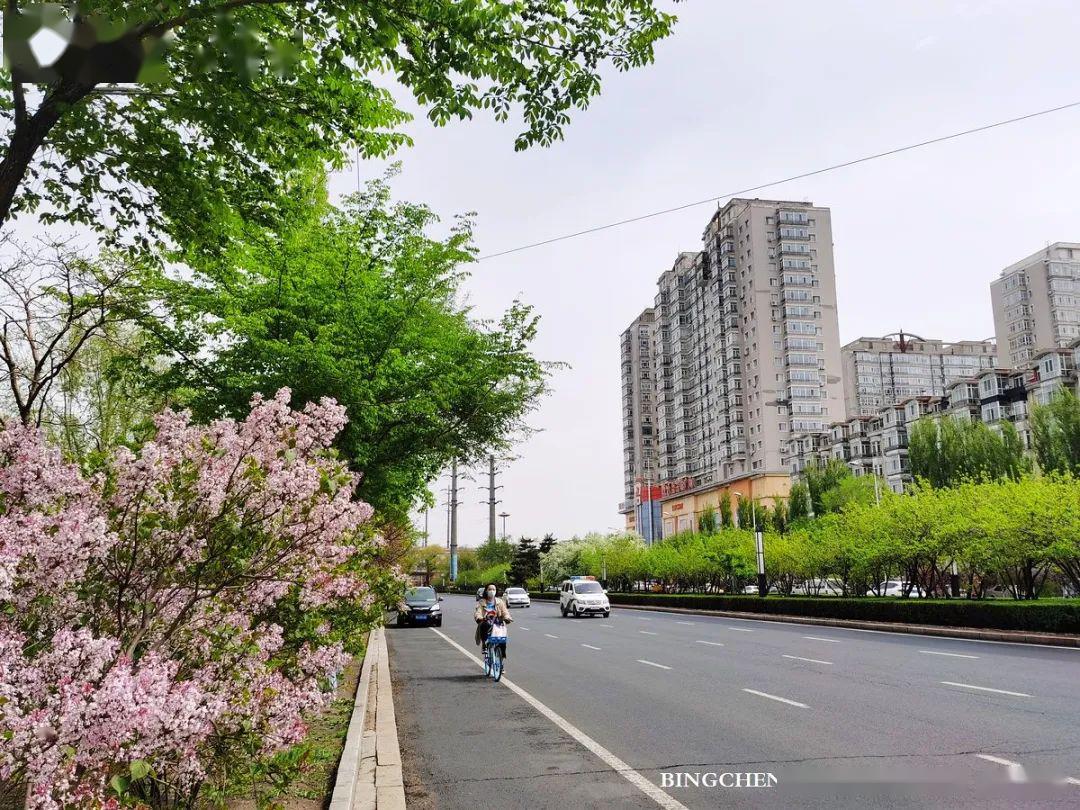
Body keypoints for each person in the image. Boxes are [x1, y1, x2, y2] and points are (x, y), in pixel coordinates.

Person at [474, 583, 512, 656]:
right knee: (484, 624)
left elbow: (505, 612)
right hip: (486, 621)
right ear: (486, 591)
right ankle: (484, 645)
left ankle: (501, 656)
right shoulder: (482, 602)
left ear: (496, 591)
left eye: (493, 589)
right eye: (490, 589)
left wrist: (507, 618)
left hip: (497, 621)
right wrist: (480, 618)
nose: (492, 591)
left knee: (502, 636)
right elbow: (478, 612)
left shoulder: (500, 602)